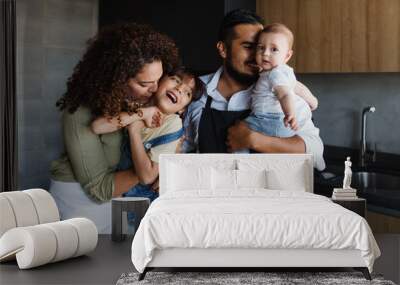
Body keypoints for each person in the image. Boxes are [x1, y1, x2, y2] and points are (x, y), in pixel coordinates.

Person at [50, 23, 179, 233]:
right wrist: (155, 169)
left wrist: (169, 158)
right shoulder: (80, 112)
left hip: (121, 197)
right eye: (145, 83)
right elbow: (99, 189)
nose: (155, 89)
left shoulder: (138, 102)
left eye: (158, 79)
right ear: (117, 78)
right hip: (80, 202)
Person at [182, 9, 325, 170]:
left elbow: (315, 152)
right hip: (212, 192)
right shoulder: (193, 91)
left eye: (260, 47)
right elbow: (182, 148)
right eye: (250, 47)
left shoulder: (281, 93)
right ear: (223, 49)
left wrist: (255, 140)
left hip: (266, 193)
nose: (260, 55)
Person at [91, 67, 201, 202]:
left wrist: (134, 130)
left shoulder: (172, 124)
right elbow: (98, 126)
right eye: (175, 80)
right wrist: (143, 113)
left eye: (187, 93)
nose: (179, 89)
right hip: (110, 192)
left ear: (182, 109)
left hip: (141, 205)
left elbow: (147, 177)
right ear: (159, 81)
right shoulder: (137, 101)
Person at [242, 23, 318, 146]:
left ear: (287, 55)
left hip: (268, 119)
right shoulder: (283, 71)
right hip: (280, 124)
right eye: (261, 48)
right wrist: (313, 102)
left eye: (274, 49)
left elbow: (284, 95)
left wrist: (290, 114)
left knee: (239, 131)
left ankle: (239, 158)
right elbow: (299, 88)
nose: (265, 53)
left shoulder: (275, 74)